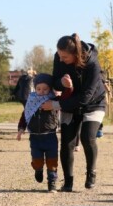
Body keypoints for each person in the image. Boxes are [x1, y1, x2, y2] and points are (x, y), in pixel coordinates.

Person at [43, 33, 106, 192]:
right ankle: (68, 181)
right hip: (70, 101)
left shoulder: (92, 64)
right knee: (67, 142)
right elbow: (55, 83)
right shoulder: (59, 58)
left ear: (76, 54)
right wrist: (61, 83)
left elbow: (86, 97)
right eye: (59, 55)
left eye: (64, 56)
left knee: (87, 136)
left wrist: (56, 105)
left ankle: (91, 172)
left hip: (93, 103)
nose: (61, 59)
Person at [17, 73, 70, 192]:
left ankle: (52, 183)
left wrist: (68, 86)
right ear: (35, 88)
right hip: (35, 138)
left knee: (52, 161)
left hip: (50, 136)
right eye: (39, 89)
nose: (42, 91)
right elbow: (25, 116)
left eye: (45, 89)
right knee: (37, 160)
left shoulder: (53, 100)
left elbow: (66, 97)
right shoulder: (30, 101)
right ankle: (38, 169)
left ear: (50, 89)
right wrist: (21, 129)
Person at [96, 70, 111, 138]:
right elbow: (105, 85)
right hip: (99, 98)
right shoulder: (100, 75)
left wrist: (109, 92)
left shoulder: (99, 75)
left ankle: (99, 130)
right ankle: (98, 130)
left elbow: (105, 85)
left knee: (99, 115)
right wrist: (109, 92)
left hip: (100, 98)